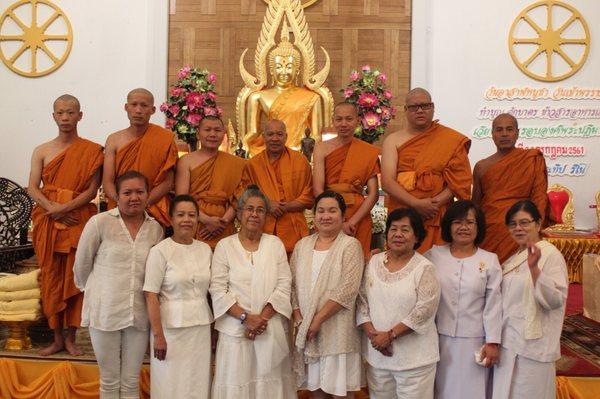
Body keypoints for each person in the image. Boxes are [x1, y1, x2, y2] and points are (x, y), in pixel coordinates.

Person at [74, 171, 163, 399]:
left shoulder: (155, 229)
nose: (134, 197)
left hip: (139, 313)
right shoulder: (99, 223)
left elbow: (156, 273)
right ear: (117, 195)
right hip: (106, 312)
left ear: (148, 194)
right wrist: (98, 293)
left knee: (131, 380)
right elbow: (81, 266)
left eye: (139, 192)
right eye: (127, 192)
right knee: (110, 380)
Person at [28, 94, 103, 356]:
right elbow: (32, 187)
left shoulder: (93, 151)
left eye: (70, 113)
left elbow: (92, 190)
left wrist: (65, 208)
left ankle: (71, 338)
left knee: (75, 277)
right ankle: (56, 338)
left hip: (77, 219)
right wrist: (54, 210)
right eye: (60, 113)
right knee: (51, 278)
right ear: (53, 116)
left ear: (80, 115)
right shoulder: (42, 150)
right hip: (49, 222)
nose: (65, 118)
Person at [209, 185, 295, 398]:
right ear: (239, 214)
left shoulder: (274, 244)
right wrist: (246, 318)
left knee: (269, 387)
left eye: (260, 210)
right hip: (235, 332)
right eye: (249, 209)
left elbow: (284, 285)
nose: (254, 214)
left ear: (266, 215)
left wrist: (261, 320)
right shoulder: (224, 246)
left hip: (269, 329)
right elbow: (218, 289)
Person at [357, 208, 440, 399]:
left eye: (405, 229)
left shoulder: (424, 267)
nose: (398, 235)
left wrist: (390, 335)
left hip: (415, 361)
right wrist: (374, 336)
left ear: (417, 236)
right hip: (378, 355)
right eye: (393, 229)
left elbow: (424, 310)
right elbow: (361, 300)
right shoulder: (373, 262)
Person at [424, 200, 502, 398]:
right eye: (457, 222)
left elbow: (493, 304)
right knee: (440, 389)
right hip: (437, 338)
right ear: (449, 226)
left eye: (470, 222)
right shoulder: (434, 255)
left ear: (479, 227)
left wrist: (492, 341)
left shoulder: (490, 260)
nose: (463, 228)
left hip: (474, 340)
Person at [291, 191, 364, 398]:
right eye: (321, 211)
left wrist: (317, 320)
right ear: (314, 216)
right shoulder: (301, 246)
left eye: (332, 211)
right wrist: (299, 319)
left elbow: (348, 289)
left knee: (340, 392)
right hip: (308, 331)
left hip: (337, 331)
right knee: (316, 391)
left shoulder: (350, 245)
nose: (326, 216)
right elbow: (293, 286)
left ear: (343, 216)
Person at [492, 200, 568, 399]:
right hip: (509, 345)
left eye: (524, 222)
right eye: (513, 224)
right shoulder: (512, 257)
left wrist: (535, 270)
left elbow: (555, 300)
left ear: (538, 224)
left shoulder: (550, 254)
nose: (518, 228)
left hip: (534, 349)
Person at [381, 88, 472, 253]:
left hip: (436, 213)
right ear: (406, 110)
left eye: (425, 106)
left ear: (433, 107)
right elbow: (387, 182)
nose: (420, 110)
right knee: (401, 261)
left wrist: (432, 204)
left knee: (438, 262)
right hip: (403, 211)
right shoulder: (392, 140)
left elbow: (459, 181)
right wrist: (416, 204)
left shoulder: (450, 139)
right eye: (414, 107)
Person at [143, 195, 213, 399]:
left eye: (192, 215)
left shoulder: (205, 249)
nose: (187, 220)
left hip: (200, 328)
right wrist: (158, 336)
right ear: (171, 219)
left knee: (197, 382)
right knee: (170, 383)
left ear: (198, 219)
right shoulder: (160, 251)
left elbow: (210, 291)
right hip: (169, 331)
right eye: (181, 215)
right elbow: (151, 295)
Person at [472, 113, 548, 263]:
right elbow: (476, 205)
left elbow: (539, 197)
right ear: (492, 134)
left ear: (517, 133)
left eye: (509, 129)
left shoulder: (532, 159)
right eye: (499, 130)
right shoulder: (481, 166)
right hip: (491, 230)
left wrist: (534, 229)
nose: (504, 134)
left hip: (522, 226)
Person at [312, 102, 380, 257]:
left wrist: (351, 222)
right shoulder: (321, 148)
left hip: (358, 214)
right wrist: (332, 217)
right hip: (329, 214)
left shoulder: (367, 151)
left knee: (357, 260)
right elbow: (318, 189)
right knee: (327, 259)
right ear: (333, 121)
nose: (344, 124)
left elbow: (373, 193)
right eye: (339, 119)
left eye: (349, 119)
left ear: (357, 121)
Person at [103, 88, 178, 227]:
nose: (138, 110)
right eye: (134, 105)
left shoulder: (165, 138)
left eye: (144, 105)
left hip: (153, 208)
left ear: (153, 110)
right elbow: (107, 181)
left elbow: (168, 182)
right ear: (126, 107)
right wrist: (123, 205)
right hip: (119, 210)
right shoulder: (113, 140)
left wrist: (144, 203)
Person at [239, 119, 313, 254]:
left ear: (286, 137)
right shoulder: (253, 164)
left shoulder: (300, 161)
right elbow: (246, 194)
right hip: (263, 226)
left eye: (279, 134)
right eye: (270, 134)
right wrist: (267, 204)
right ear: (263, 137)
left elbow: (309, 194)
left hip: (293, 225)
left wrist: (287, 206)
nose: (274, 138)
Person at [176, 116, 246, 249]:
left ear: (224, 133)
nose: (212, 134)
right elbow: (181, 199)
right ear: (198, 133)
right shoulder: (186, 161)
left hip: (225, 224)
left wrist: (223, 221)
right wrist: (207, 220)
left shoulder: (238, 163)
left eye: (217, 130)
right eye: (207, 130)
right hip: (193, 222)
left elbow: (239, 197)